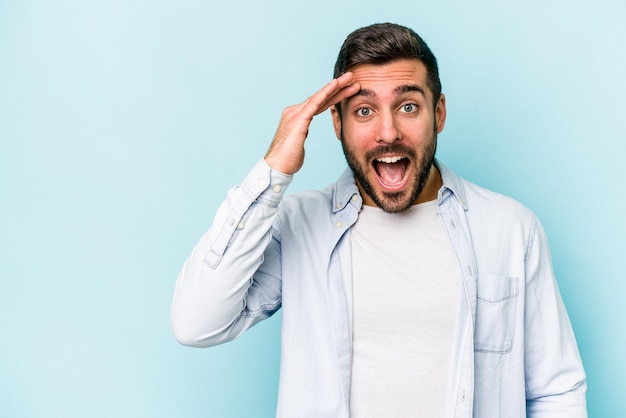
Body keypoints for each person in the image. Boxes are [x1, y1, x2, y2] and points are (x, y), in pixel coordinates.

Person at [170, 23, 587, 418]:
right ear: (337, 123)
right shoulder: (298, 226)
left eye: (408, 106)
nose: (388, 133)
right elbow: (196, 323)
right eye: (364, 111)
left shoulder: (510, 228)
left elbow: (556, 391)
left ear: (438, 114)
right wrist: (273, 170)